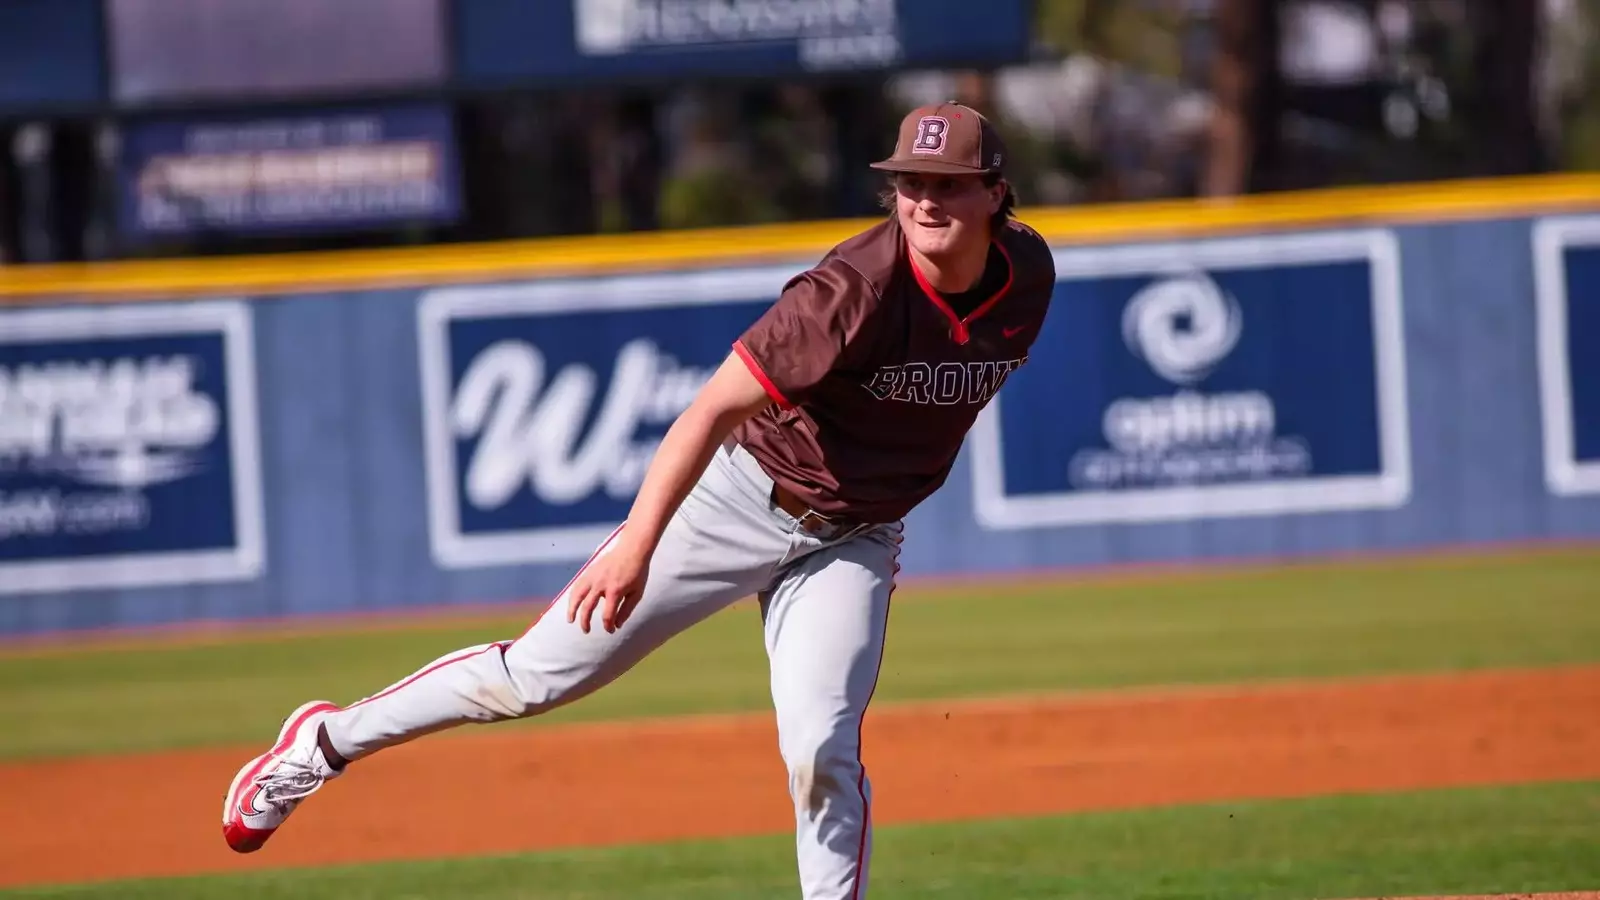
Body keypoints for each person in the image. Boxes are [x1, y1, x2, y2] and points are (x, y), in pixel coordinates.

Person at [221, 102, 1058, 900]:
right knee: (536, 679)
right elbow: (710, 410)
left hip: (854, 535)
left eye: (948, 182)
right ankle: (323, 744)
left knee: (822, 749)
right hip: (739, 503)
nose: (925, 200)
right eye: (910, 182)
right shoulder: (848, 294)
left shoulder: (1030, 277)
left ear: (994, 193)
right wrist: (638, 544)